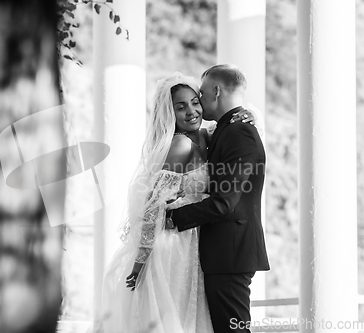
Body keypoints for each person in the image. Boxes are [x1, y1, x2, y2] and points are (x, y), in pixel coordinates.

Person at [100, 72, 256, 333]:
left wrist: (247, 113)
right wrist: (140, 261)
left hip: (199, 238)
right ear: (168, 112)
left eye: (195, 102)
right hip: (174, 244)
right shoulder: (180, 145)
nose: (191, 111)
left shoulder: (207, 136)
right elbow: (153, 204)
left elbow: (234, 122)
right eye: (180, 106)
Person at [170, 64, 270, 333]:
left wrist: (173, 217)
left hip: (231, 252)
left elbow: (225, 201)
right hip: (222, 251)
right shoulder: (225, 129)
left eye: (201, 94)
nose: (199, 103)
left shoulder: (238, 132)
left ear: (215, 91)